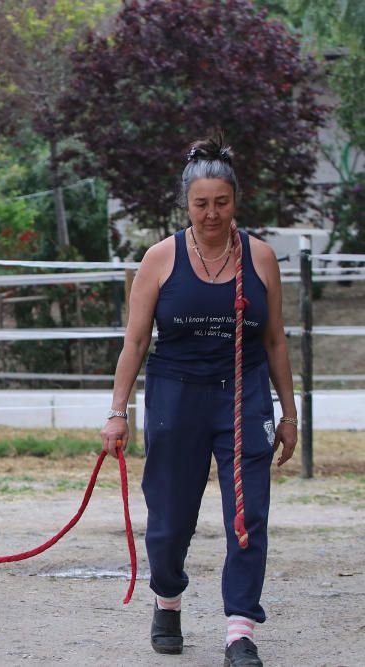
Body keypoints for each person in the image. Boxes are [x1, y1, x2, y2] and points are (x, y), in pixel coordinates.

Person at [100, 134, 299, 667]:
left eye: (222, 203)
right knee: (168, 522)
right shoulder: (160, 259)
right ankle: (167, 600)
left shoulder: (259, 257)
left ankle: (240, 629)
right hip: (175, 398)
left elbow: (275, 339)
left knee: (247, 517)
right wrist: (117, 412)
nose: (212, 214)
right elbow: (135, 343)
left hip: (244, 396)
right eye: (201, 204)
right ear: (187, 205)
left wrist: (289, 411)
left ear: (236, 200)